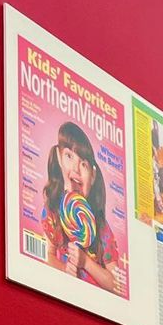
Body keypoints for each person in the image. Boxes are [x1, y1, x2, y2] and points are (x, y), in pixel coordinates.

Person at [41, 121, 122, 294]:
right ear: (59, 157)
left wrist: (85, 261)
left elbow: (117, 285)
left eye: (84, 164)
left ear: (93, 176)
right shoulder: (52, 211)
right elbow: (48, 255)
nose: (76, 169)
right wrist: (64, 269)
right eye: (69, 156)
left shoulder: (101, 227)